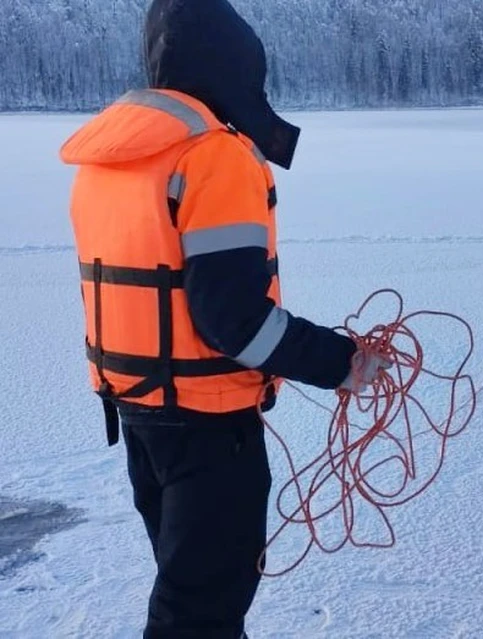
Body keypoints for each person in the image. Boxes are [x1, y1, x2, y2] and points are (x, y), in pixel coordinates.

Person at [59, 0, 387, 636]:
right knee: (198, 612)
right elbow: (233, 320)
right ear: (236, 67)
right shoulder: (214, 156)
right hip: (210, 431)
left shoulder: (110, 159)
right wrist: (342, 362)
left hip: (140, 417)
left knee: (192, 590)